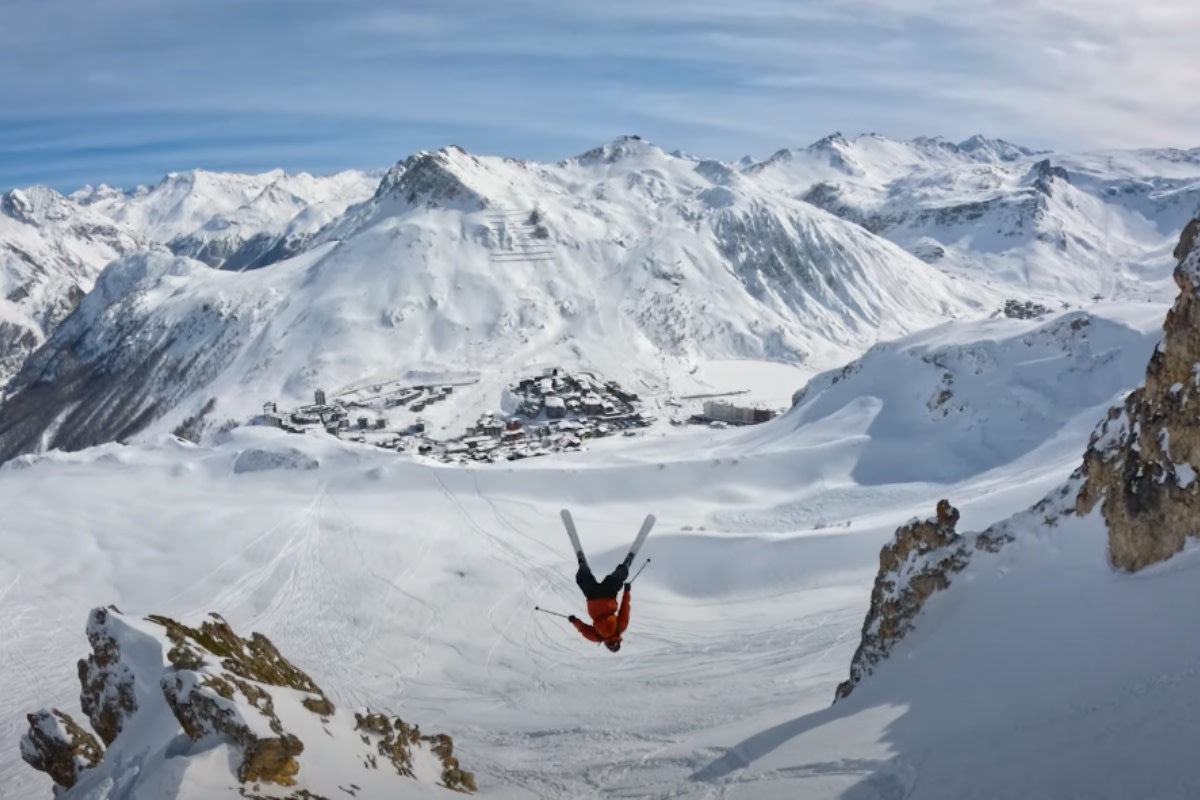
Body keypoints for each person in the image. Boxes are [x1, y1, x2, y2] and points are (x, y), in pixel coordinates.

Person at [568, 553, 633, 652]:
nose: (613, 643)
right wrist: (574, 621)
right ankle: (583, 567)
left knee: (615, 580)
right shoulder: (600, 636)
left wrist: (627, 591)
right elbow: (583, 629)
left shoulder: (614, 631)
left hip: (606, 596)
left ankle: (624, 568)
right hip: (595, 599)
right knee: (584, 580)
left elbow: (625, 608)